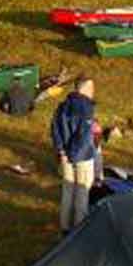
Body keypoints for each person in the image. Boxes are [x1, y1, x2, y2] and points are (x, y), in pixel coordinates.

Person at [50, 77, 99, 233]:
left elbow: (54, 129)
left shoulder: (63, 106)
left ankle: (65, 227)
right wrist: (72, 154)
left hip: (66, 155)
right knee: (82, 192)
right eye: (91, 87)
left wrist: (61, 150)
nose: (93, 91)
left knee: (68, 192)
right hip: (81, 157)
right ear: (83, 88)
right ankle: (79, 230)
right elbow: (83, 136)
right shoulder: (86, 108)